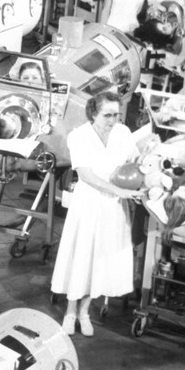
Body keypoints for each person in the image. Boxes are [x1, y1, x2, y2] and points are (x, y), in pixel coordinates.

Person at [51, 91, 140, 336]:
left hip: (113, 208)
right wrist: (118, 191)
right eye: (107, 115)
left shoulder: (123, 133)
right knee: (80, 258)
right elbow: (86, 175)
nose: (113, 121)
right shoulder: (79, 136)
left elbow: (136, 160)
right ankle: (70, 311)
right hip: (88, 204)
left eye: (117, 115)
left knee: (99, 261)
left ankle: (85, 312)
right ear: (93, 113)